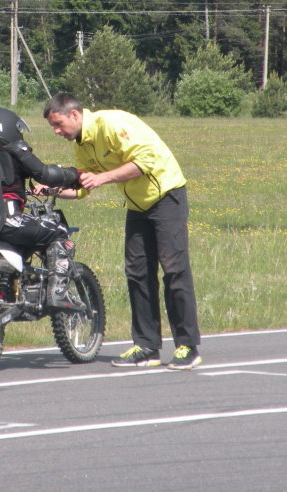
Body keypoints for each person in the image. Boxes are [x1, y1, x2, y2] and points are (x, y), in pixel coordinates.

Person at [42, 93, 203, 370]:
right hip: (138, 205)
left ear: (75, 115)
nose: (57, 132)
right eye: (52, 128)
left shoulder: (113, 123)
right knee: (137, 272)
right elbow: (83, 186)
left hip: (166, 195)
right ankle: (147, 346)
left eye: (58, 124)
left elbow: (145, 163)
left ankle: (187, 346)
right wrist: (52, 190)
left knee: (175, 271)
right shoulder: (83, 143)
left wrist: (103, 177)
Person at [0, 107, 83, 310]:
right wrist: (74, 175)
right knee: (58, 230)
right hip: (9, 222)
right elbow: (45, 174)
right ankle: (58, 292)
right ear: (10, 130)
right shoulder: (16, 151)